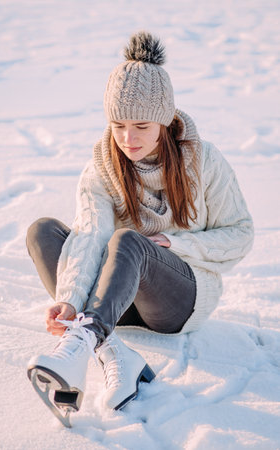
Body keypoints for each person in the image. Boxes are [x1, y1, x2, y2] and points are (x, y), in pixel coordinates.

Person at [26, 31, 254, 425]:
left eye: (142, 126)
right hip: (116, 300)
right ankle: (110, 348)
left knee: (128, 240)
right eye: (118, 126)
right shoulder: (102, 164)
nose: (128, 139)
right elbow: (88, 235)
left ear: (164, 121)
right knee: (43, 232)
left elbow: (240, 233)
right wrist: (68, 297)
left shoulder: (203, 160)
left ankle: (82, 342)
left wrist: (175, 244)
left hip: (177, 301)